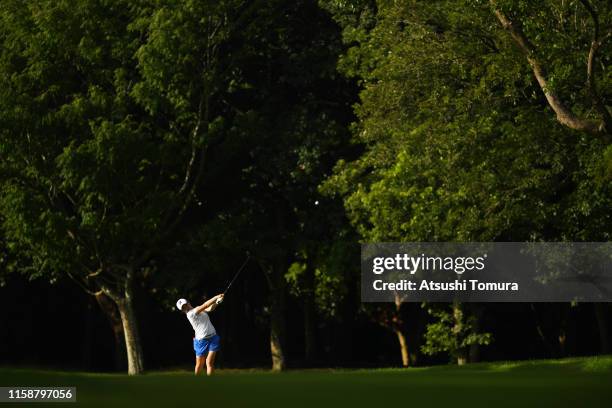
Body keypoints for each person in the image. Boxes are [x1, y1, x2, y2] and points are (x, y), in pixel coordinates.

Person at [176, 294, 224, 375]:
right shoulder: (191, 314)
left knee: (209, 362)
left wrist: (217, 302)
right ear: (182, 310)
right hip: (201, 341)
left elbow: (209, 309)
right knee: (199, 364)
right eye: (183, 307)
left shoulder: (196, 309)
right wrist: (216, 297)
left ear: (188, 302)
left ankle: (211, 383)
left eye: (185, 305)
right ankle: (196, 383)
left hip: (213, 337)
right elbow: (205, 305)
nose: (185, 307)